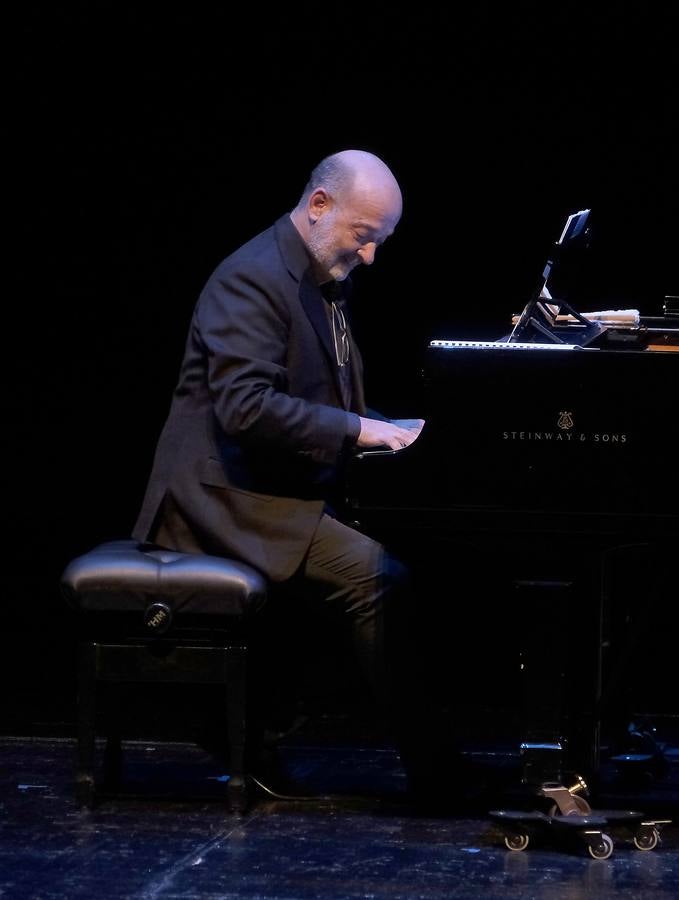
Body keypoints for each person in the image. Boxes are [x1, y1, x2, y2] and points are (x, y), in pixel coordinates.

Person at [132, 149, 478, 807]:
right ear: (319, 206)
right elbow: (246, 407)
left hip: (270, 488)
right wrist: (361, 432)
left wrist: (393, 425)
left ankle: (269, 728)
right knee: (376, 577)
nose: (370, 256)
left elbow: (329, 395)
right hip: (218, 498)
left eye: (380, 241)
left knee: (419, 557)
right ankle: (438, 776)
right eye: (363, 236)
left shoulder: (321, 275)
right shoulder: (252, 279)